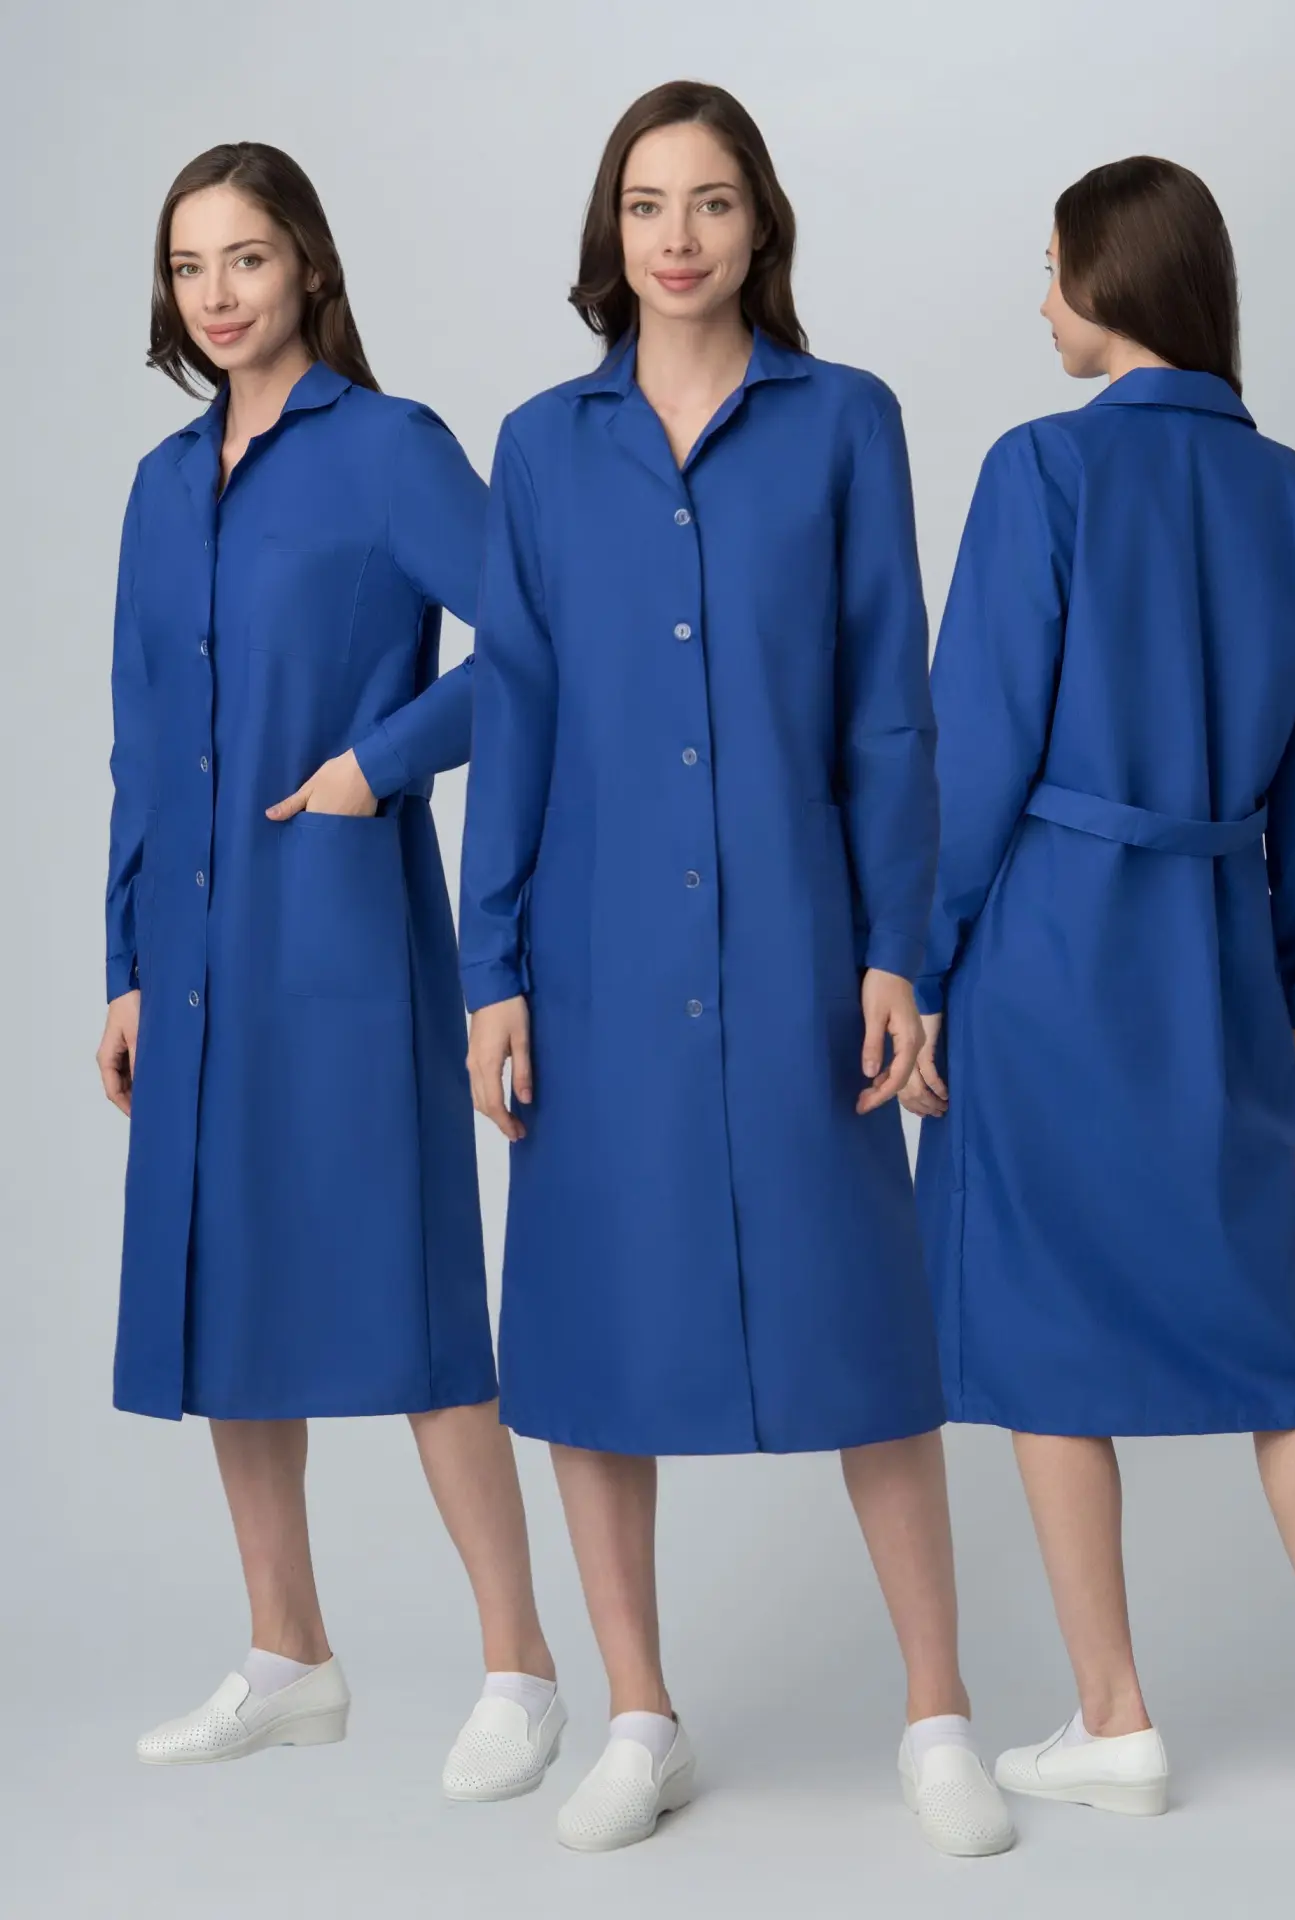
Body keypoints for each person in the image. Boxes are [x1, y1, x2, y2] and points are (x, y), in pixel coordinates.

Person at [459, 82, 1012, 1856]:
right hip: (596, 955)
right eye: (645, 204)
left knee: (865, 1318)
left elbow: (889, 710)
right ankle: (640, 1713)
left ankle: (937, 1712)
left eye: (708, 202)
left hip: (797, 944)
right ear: (609, 231)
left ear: (760, 220)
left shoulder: (846, 422)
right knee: (586, 1327)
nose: (677, 237)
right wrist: (491, 968)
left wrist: (896, 946)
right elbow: (517, 715)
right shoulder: (541, 448)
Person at [903, 156, 1295, 1820]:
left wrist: (920, 964)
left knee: (1043, 1323)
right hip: (1215, 956)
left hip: (1048, 954)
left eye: (1049, 268)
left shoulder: (1042, 467)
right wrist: (1289, 990)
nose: (1038, 302)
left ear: (1107, 280)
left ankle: (1114, 1720)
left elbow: (975, 753)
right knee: (1273, 1339)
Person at [98, 142, 559, 1794]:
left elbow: (537, 640)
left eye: (246, 257)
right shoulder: (162, 483)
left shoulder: (389, 448)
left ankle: (520, 1664)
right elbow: (142, 740)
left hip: (346, 929)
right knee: (222, 1276)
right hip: (193, 949)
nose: (217, 294)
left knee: (419, 1293)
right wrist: (123, 960)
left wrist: (385, 760)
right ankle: (286, 1650)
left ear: (307, 262)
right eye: (189, 267)